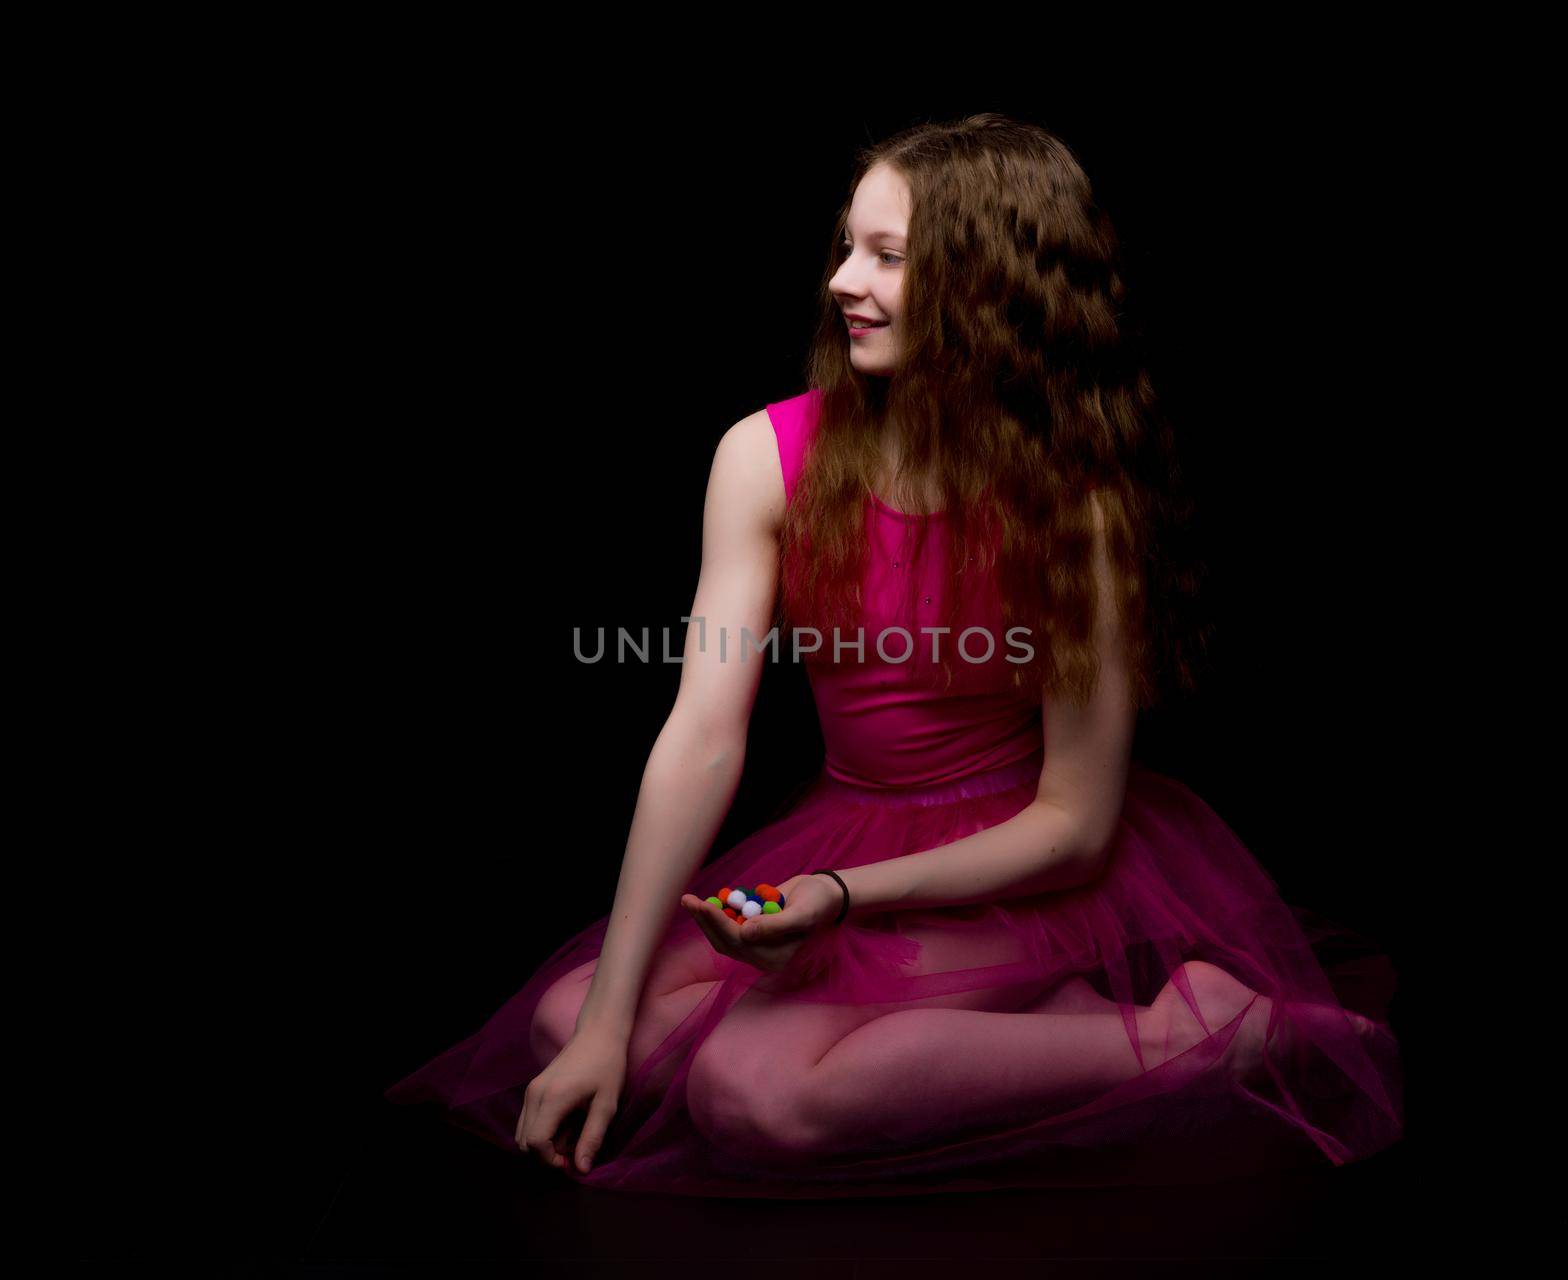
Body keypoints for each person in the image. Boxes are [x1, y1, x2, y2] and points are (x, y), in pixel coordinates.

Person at [383, 113, 1404, 1196]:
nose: (842, 284)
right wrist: (604, 1014)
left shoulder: (1074, 510)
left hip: (1020, 861)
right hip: (847, 830)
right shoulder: (764, 455)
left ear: (990, 287)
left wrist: (840, 891)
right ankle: (1026, 1027)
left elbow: (1074, 823)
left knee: (759, 1091)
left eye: (889, 258)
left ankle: (1192, 1029)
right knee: (568, 1013)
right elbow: (699, 736)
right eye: (845, 247)